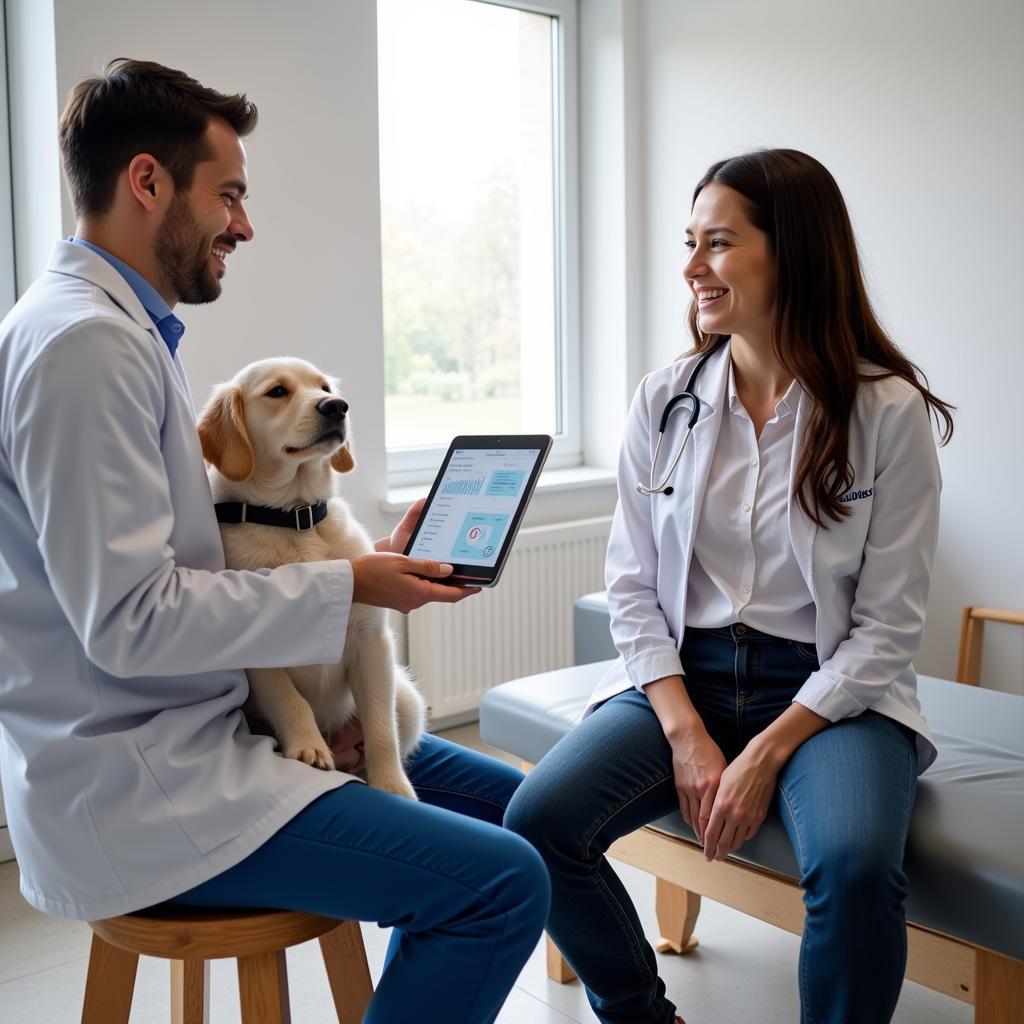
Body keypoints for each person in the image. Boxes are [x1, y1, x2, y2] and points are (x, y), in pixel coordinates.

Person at [0, 59, 548, 1023]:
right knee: (499, 884)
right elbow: (130, 622)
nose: (244, 226)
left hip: (203, 737)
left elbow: (187, 569)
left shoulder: (116, 332)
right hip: (151, 785)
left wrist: (351, 563)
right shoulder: (84, 348)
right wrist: (353, 588)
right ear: (146, 182)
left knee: (530, 810)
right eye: (231, 195)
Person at [505, 148, 954, 1024]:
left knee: (858, 866)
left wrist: (768, 748)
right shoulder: (665, 396)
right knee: (537, 824)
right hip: (684, 675)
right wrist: (685, 730)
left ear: (793, 253)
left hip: (832, 697)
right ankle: (641, 1014)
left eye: (717, 243)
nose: (692, 268)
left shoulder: (887, 411)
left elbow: (888, 628)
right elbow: (631, 583)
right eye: (690, 242)